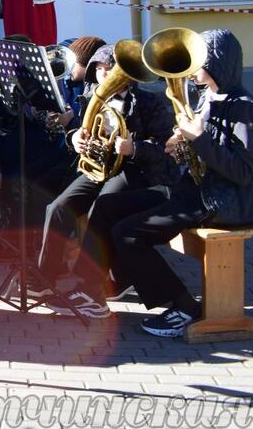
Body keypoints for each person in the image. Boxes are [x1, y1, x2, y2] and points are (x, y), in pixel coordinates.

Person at [73, 29, 253, 337]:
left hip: (224, 200)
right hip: (193, 188)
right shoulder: (208, 97)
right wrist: (180, 144)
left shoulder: (243, 106)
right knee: (108, 206)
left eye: (199, 61)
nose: (191, 69)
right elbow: (202, 152)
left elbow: (242, 171)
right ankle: (97, 286)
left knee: (129, 233)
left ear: (217, 62)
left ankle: (183, 306)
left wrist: (198, 139)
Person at [36, 44, 175, 316]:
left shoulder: (150, 101)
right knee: (58, 208)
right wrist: (74, 138)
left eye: (108, 69)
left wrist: (135, 148)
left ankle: (90, 288)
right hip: (100, 167)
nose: (102, 75)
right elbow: (80, 129)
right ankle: (44, 279)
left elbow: (166, 150)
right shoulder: (91, 96)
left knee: (102, 208)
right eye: (98, 69)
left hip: (135, 171)